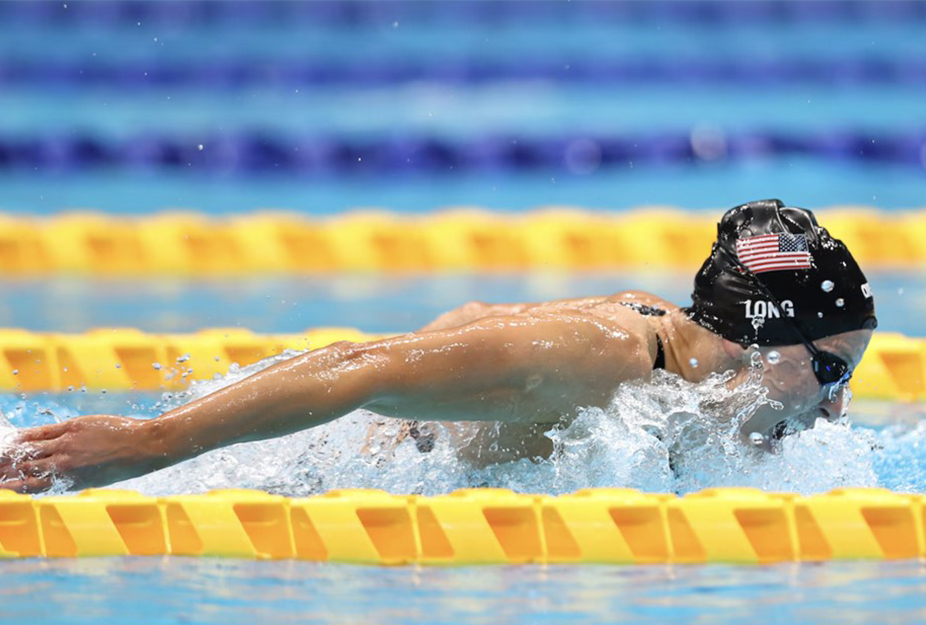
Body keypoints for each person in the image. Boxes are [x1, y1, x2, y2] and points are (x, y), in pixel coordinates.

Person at [0, 199, 877, 493]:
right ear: (759, 344)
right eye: (831, 367)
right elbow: (361, 367)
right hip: (324, 467)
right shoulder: (602, 354)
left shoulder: (668, 354)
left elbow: (471, 314)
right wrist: (147, 443)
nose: (836, 404)